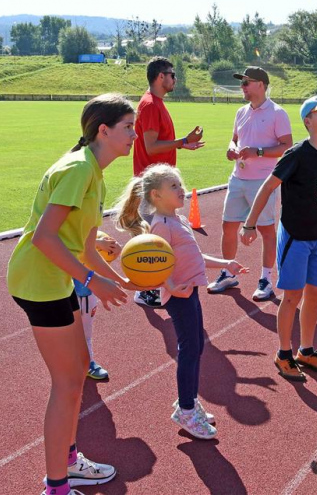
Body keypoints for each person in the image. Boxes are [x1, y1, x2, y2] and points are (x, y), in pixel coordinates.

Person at [6, 93, 137, 495]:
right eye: (128, 127)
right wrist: (92, 280)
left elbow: (81, 245)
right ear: (103, 129)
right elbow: (46, 238)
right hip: (39, 281)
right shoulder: (79, 169)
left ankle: (68, 462)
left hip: (57, 278)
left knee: (79, 368)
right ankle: (57, 487)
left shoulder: (94, 171)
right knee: (66, 382)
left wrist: (117, 278)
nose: (134, 134)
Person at [115, 164, 248, 439]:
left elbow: (195, 256)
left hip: (190, 292)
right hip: (179, 297)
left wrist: (225, 263)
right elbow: (154, 264)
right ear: (155, 195)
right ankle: (186, 410)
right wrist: (172, 286)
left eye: (180, 183)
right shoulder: (160, 227)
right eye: (173, 186)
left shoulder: (178, 220)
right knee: (189, 350)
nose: (181, 189)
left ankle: (188, 400)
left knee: (196, 346)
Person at [241, 96, 317, 381]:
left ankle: (306, 350)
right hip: (295, 236)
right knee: (292, 297)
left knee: (316, 293)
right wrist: (249, 225)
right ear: (307, 122)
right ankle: (283, 353)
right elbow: (268, 186)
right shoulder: (297, 154)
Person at [208, 66, 292, 301]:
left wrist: (259, 151)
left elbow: (287, 146)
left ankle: (266, 279)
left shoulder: (277, 113)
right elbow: (234, 138)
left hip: (263, 181)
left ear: (261, 85)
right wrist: (231, 148)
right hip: (237, 178)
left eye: (246, 82)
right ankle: (227, 272)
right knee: (228, 226)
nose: (242, 87)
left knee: (266, 230)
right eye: (242, 82)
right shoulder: (241, 112)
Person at [132, 56, 204, 309]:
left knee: (158, 239)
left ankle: (154, 287)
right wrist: (182, 141)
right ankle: (146, 290)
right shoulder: (151, 105)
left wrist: (183, 144)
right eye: (172, 75)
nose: (175, 79)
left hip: (158, 185)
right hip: (153, 186)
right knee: (153, 241)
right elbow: (151, 147)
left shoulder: (156, 103)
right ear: (160, 77)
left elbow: (157, 145)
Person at [75, 234, 121, 381]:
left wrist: (114, 250)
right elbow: (62, 240)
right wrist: (97, 243)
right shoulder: (61, 213)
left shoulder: (91, 220)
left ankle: (87, 364)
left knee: (86, 331)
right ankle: (67, 367)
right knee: (65, 331)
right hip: (64, 283)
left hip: (86, 287)